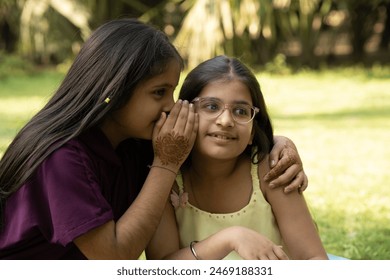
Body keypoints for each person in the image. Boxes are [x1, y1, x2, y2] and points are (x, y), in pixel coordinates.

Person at [0, 19, 306, 260]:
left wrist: (278, 145)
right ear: (114, 92)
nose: (171, 106)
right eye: (159, 92)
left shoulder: (132, 142)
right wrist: (165, 163)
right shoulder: (61, 158)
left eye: (172, 91)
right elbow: (113, 258)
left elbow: (212, 141)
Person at [146, 55, 328, 260]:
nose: (225, 121)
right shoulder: (165, 179)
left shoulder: (271, 171)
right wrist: (229, 238)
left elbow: (314, 260)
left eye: (240, 111)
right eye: (211, 106)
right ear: (183, 113)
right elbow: (161, 268)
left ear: (252, 131)